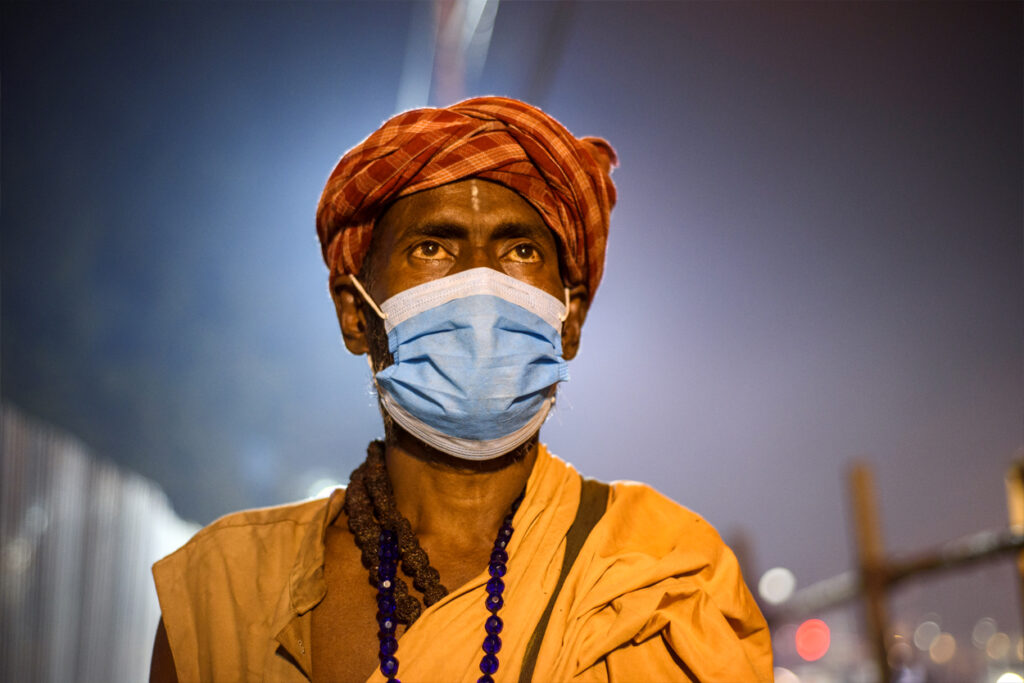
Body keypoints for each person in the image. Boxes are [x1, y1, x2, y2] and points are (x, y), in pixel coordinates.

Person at [150, 96, 773, 683]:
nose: (481, 284)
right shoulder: (224, 590)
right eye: (432, 248)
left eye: (520, 251)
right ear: (354, 314)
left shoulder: (665, 576)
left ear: (571, 317)